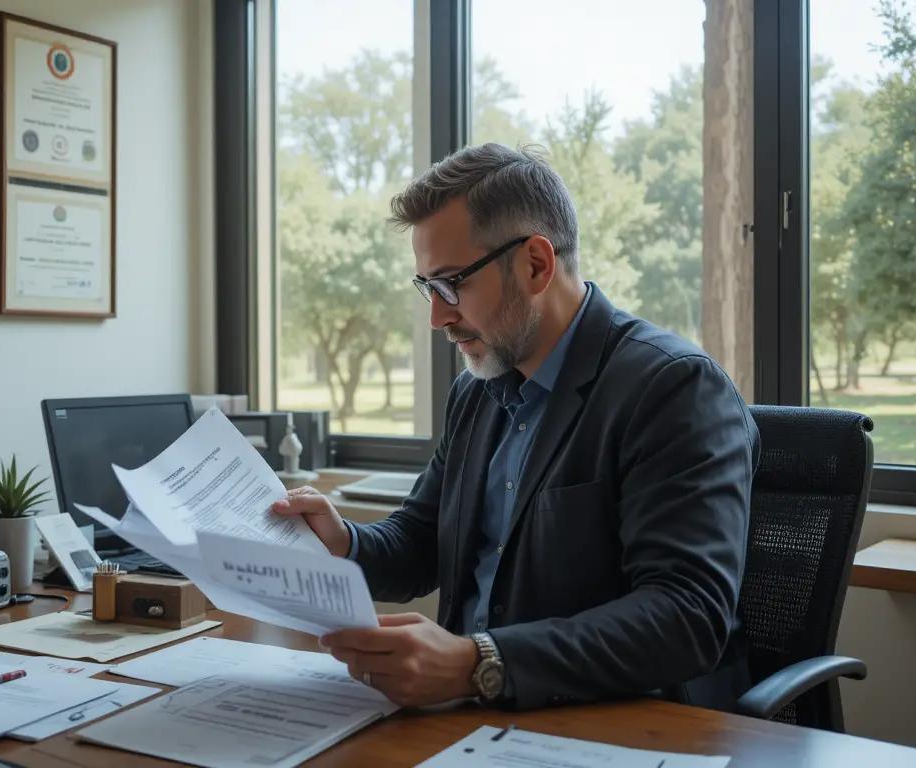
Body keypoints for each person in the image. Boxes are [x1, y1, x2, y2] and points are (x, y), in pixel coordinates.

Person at [272, 143, 758, 711]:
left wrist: (478, 662)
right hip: (475, 720)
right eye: (428, 288)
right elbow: (423, 540)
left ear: (535, 264)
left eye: (451, 284)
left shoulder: (673, 389)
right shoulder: (477, 390)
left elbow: (686, 616)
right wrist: (344, 540)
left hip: (623, 722)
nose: (438, 317)